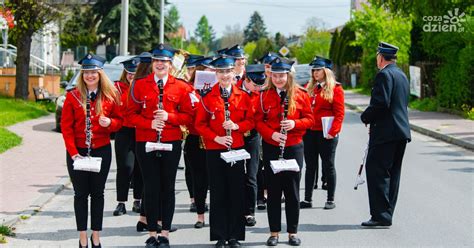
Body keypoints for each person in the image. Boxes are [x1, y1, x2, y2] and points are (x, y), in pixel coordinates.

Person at [127, 44, 194, 248]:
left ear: (170, 65)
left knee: (168, 187)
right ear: (152, 63)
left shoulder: (181, 86)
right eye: (156, 61)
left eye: (164, 62)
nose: (160, 65)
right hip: (145, 142)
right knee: (151, 187)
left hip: (171, 142)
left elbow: (189, 116)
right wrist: (149, 123)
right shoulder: (139, 85)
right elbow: (129, 115)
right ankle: (152, 233)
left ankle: (165, 232)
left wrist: (169, 117)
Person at [61, 53, 123, 248]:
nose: (89, 76)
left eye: (93, 72)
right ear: (82, 74)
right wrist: (73, 153)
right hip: (77, 152)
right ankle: (82, 237)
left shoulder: (110, 95)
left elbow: (120, 122)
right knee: (80, 195)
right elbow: (66, 128)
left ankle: (96, 235)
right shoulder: (72, 96)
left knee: (98, 194)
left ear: (100, 73)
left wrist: (110, 123)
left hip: (101, 151)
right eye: (86, 72)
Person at [195, 55, 254, 248]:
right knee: (218, 193)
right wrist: (216, 137)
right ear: (216, 74)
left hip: (236, 150)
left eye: (228, 71)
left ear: (233, 73)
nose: (224, 75)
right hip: (215, 150)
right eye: (220, 72)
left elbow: (251, 121)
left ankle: (235, 236)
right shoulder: (207, 97)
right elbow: (200, 124)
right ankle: (220, 236)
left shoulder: (243, 96)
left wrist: (237, 126)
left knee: (236, 192)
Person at [255, 57, 314, 246]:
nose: (278, 79)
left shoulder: (301, 94)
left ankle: (292, 233)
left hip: (294, 147)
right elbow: (258, 121)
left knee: (292, 192)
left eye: (282, 75)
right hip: (272, 147)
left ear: (289, 75)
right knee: (273, 192)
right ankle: (274, 233)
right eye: (275, 75)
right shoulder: (264, 95)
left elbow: (310, 119)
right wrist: (271, 135)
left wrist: (295, 123)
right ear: (270, 76)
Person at [360, 42, 411, 227]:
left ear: (380, 57)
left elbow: (381, 103)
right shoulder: (401, 74)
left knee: (377, 172)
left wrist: (366, 117)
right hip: (401, 132)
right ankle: (387, 213)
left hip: (386, 133)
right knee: (393, 173)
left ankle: (380, 216)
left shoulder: (384, 74)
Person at [300, 56, 345, 210]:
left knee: (328, 165)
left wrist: (333, 131)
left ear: (326, 71)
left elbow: (339, 113)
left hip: (327, 133)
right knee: (310, 166)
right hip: (310, 132)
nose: (315, 73)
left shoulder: (335, 89)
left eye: (318, 70)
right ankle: (307, 199)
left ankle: (330, 199)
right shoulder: (308, 87)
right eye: (313, 70)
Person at [183, 56, 214, 227]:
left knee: (215, 179)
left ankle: (217, 216)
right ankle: (200, 215)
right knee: (199, 178)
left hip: (214, 139)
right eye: (206, 71)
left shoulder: (219, 90)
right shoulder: (189, 90)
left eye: (212, 71)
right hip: (195, 138)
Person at [236, 64, 267, 226]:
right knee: (236, 173)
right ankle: (236, 210)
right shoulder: (234, 90)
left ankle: (249, 212)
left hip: (253, 136)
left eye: (260, 85)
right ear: (246, 80)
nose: (258, 88)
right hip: (236, 136)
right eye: (255, 85)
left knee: (252, 174)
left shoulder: (261, 93)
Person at [113, 57, 143, 216]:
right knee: (125, 167)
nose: (132, 75)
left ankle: (137, 201)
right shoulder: (117, 87)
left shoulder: (144, 86)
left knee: (139, 168)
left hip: (141, 130)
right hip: (124, 130)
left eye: (135, 73)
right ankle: (121, 202)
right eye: (130, 72)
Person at [255, 52, 278, 210]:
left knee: (271, 164)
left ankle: (271, 192)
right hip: (259, 130)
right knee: (259, 164)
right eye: (267, 67)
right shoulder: (259, 82)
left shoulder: (278, 85)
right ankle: (260, 196)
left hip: (273, 133)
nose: (269, 71)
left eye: (272, 68)